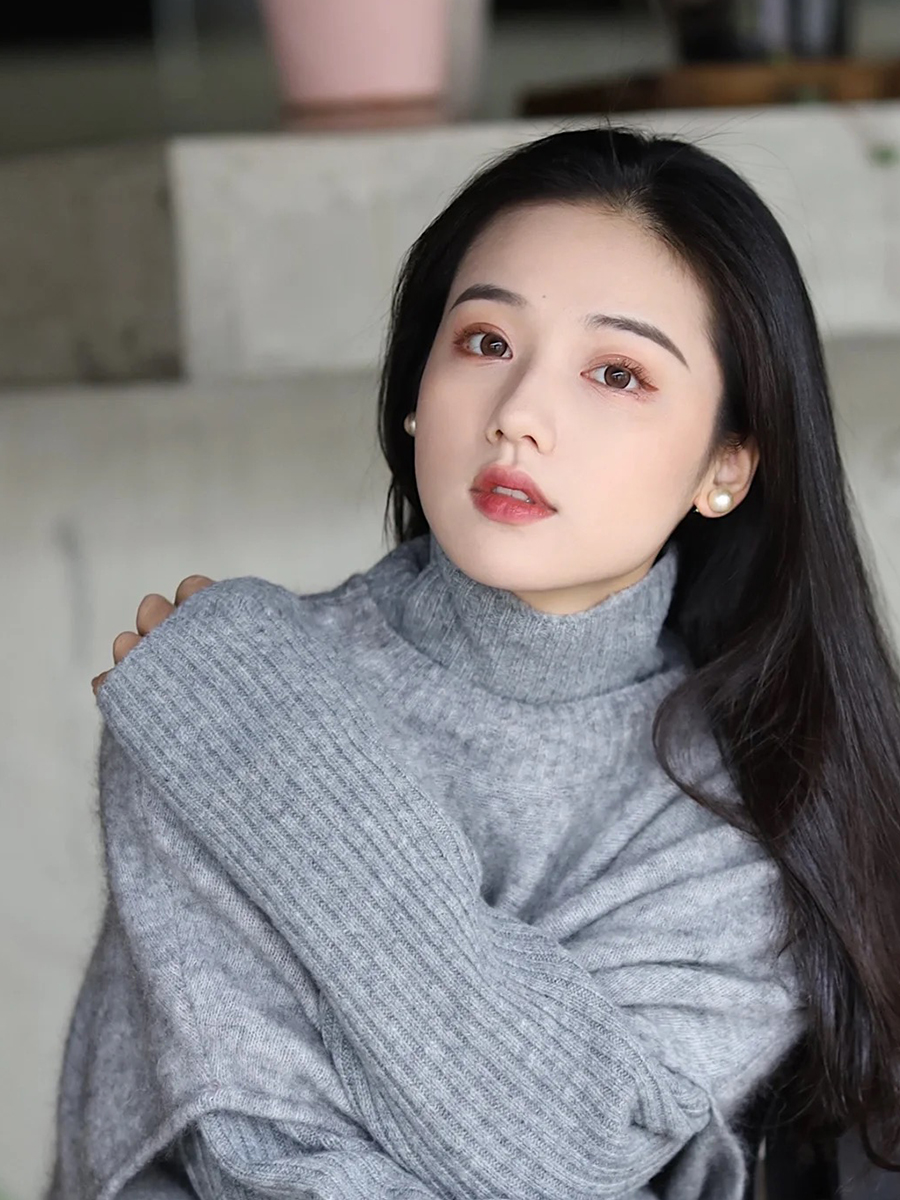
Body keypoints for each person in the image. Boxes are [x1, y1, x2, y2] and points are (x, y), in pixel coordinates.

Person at [47, 123, 900, 1200]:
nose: (520, 416)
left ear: (725, 465)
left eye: (618, 372)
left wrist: (289, 792)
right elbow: (253, 1157)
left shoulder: (761, 792)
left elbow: (564, 1152)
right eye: (487, 342)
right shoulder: (223, 685)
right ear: (417, 389)